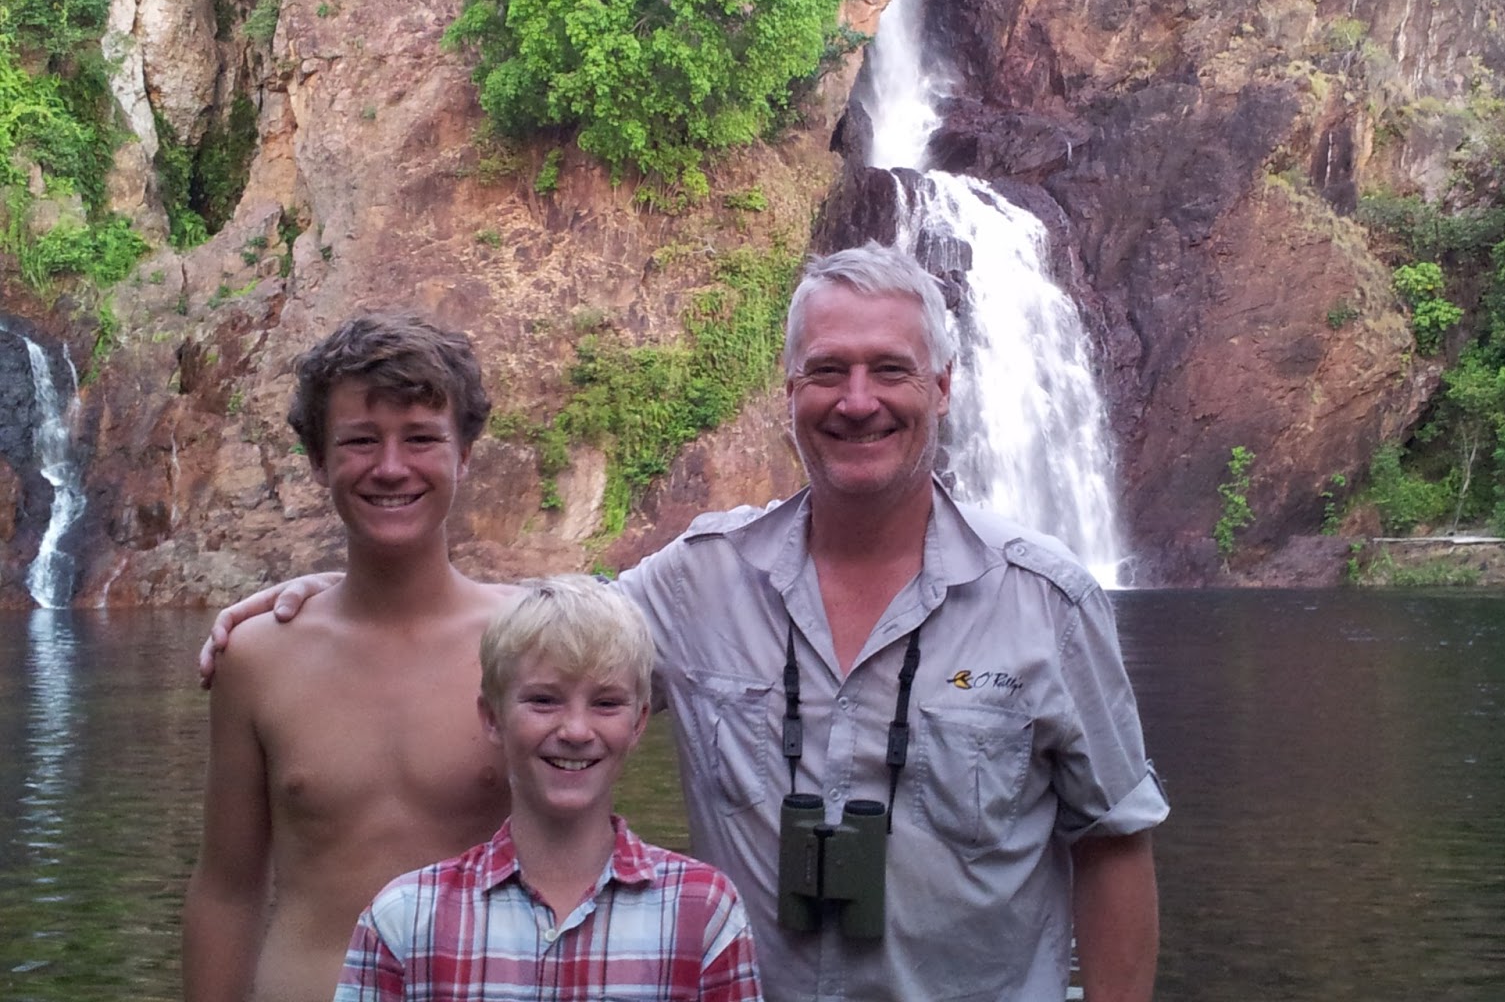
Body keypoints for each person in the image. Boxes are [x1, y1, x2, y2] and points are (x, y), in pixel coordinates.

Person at [204, 243, 1168, 1002]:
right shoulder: (699, 581)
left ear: (944, 386)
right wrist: (346, 584)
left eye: (891, 370)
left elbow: (1114, 842)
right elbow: (546, 643)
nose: (857, 401)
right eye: (827, 371)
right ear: (789, 392)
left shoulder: (1048, 600)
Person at [183, 314, 515, 1002]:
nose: (390, 467)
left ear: (464, 454)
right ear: (318, 461)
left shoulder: (531, 643)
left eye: (420, 438)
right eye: (360, 441)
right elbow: (227, 891)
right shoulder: (258, 656)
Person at [334, 574, 763, 1001]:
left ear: (639, 723)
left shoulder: (703, 913)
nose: (576, 731)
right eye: (543, 700)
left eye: (606, 703)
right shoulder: (405, 922)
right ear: (493, 717)